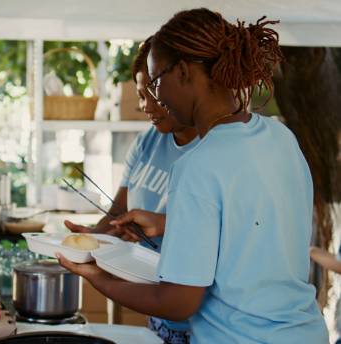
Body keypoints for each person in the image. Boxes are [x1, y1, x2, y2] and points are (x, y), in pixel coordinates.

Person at [59, 8, 328, 343]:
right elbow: (250, 231)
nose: (155, 98)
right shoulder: (281, 138)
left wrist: (96, 277)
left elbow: (178, 302)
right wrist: (164, 224)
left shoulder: (198, 164)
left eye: (156, 82)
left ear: (184, 72)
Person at [65, 38, 198, 343]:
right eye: (140, 95)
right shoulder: (147, 142)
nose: (145, 106)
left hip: (197, 316)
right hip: (158, 307)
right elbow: (117, 214)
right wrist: (90, 238)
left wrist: (163, 224)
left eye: (152, 94)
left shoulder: (211, 152)